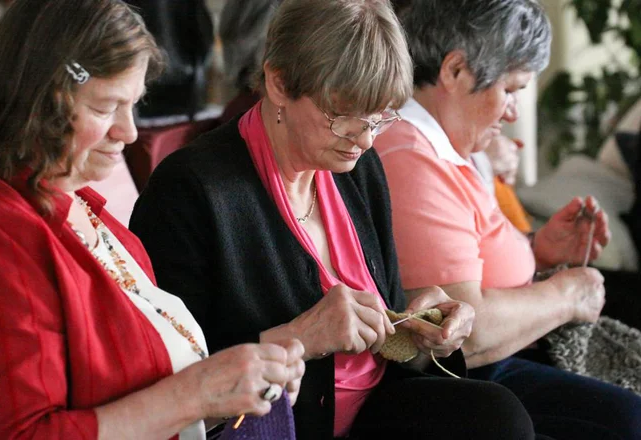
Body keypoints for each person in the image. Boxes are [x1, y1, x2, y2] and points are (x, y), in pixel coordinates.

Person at [129, 1, 546, 439]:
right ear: (279, 83)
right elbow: (175, 380)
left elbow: (384, 342)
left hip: (376, 407)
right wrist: (302, 337)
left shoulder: (358, 169)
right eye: (344, 115)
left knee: (502, 416)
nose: (365, 139)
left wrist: (423, 328)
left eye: (380, 116)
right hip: (285, 426)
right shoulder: (188, 192)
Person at [0, 1, 305, 439]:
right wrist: (195, 395)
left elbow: (157, 413)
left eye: (133, 105)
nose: (129, 132)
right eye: (105, 107)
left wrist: (234, 395)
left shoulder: (97, 220)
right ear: (39, 101)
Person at [375, 0, 641, 438]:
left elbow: (473, 258)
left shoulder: (445, 147)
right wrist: (568, 296)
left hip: (506, 360)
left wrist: (537, 250)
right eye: (511, 89)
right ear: (456, 71)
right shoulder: (411, 157)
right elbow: (463, 329)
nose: (514, 111)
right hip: (470, 377)